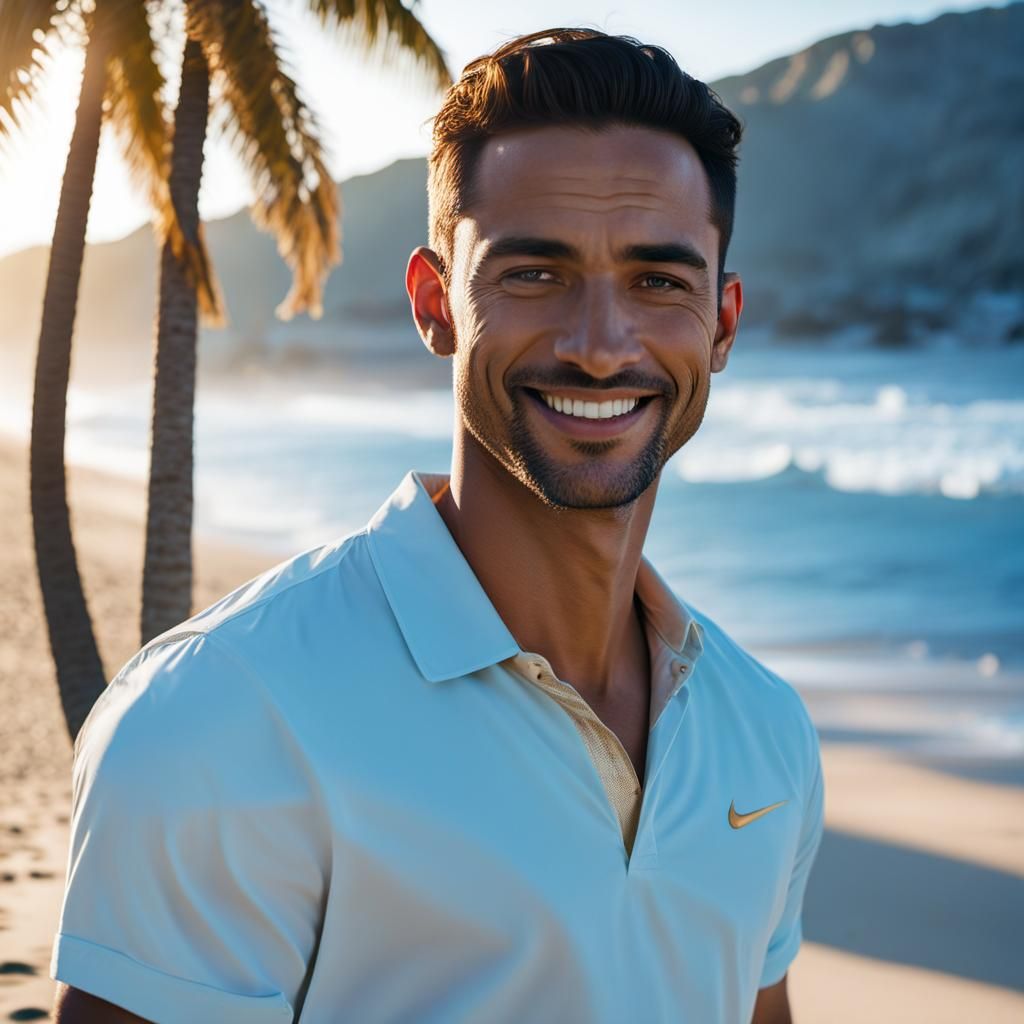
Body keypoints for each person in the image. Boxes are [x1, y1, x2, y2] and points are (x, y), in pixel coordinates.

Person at [51, 28, 824, 1024]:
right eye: (534, 275)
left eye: (657, 281)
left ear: (720, 324)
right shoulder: (223, 715)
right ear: (435, 304)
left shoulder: (763, 732)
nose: (598, 346)